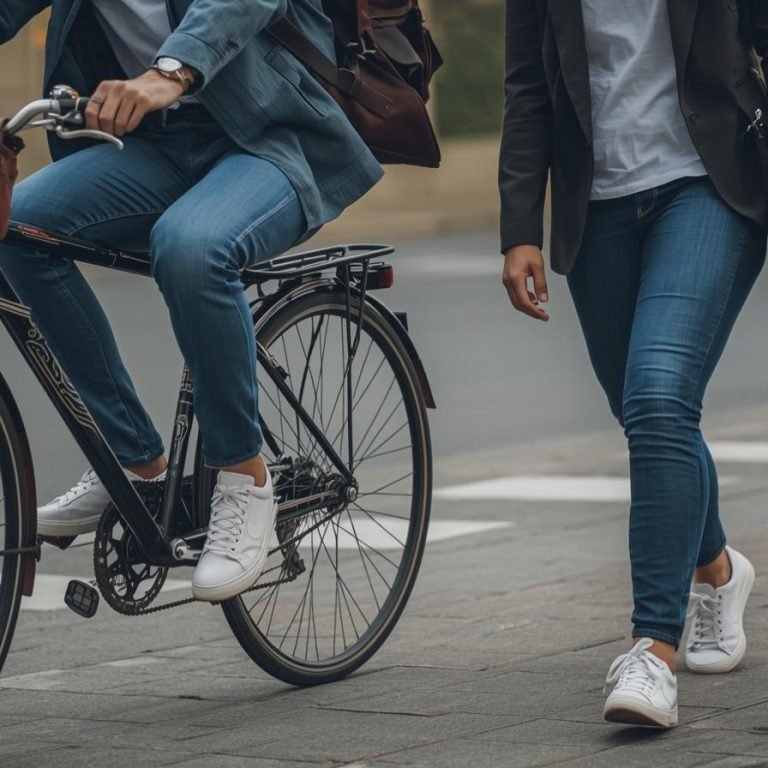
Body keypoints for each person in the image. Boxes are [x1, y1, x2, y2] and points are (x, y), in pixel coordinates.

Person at [0, 0, 382, 602]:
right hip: (150, 148)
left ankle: (244, 477)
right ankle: (139, 468)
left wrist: (169, 72)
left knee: (190, 246)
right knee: (17, 231)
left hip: (270, 138)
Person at [499, 0, 768, 727]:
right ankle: (716, 568)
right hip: (600, 206)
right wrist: (520, 225)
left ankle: (652, 650)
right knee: (648, 415)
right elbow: (527, 86)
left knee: (656, 397)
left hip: (708, 186)